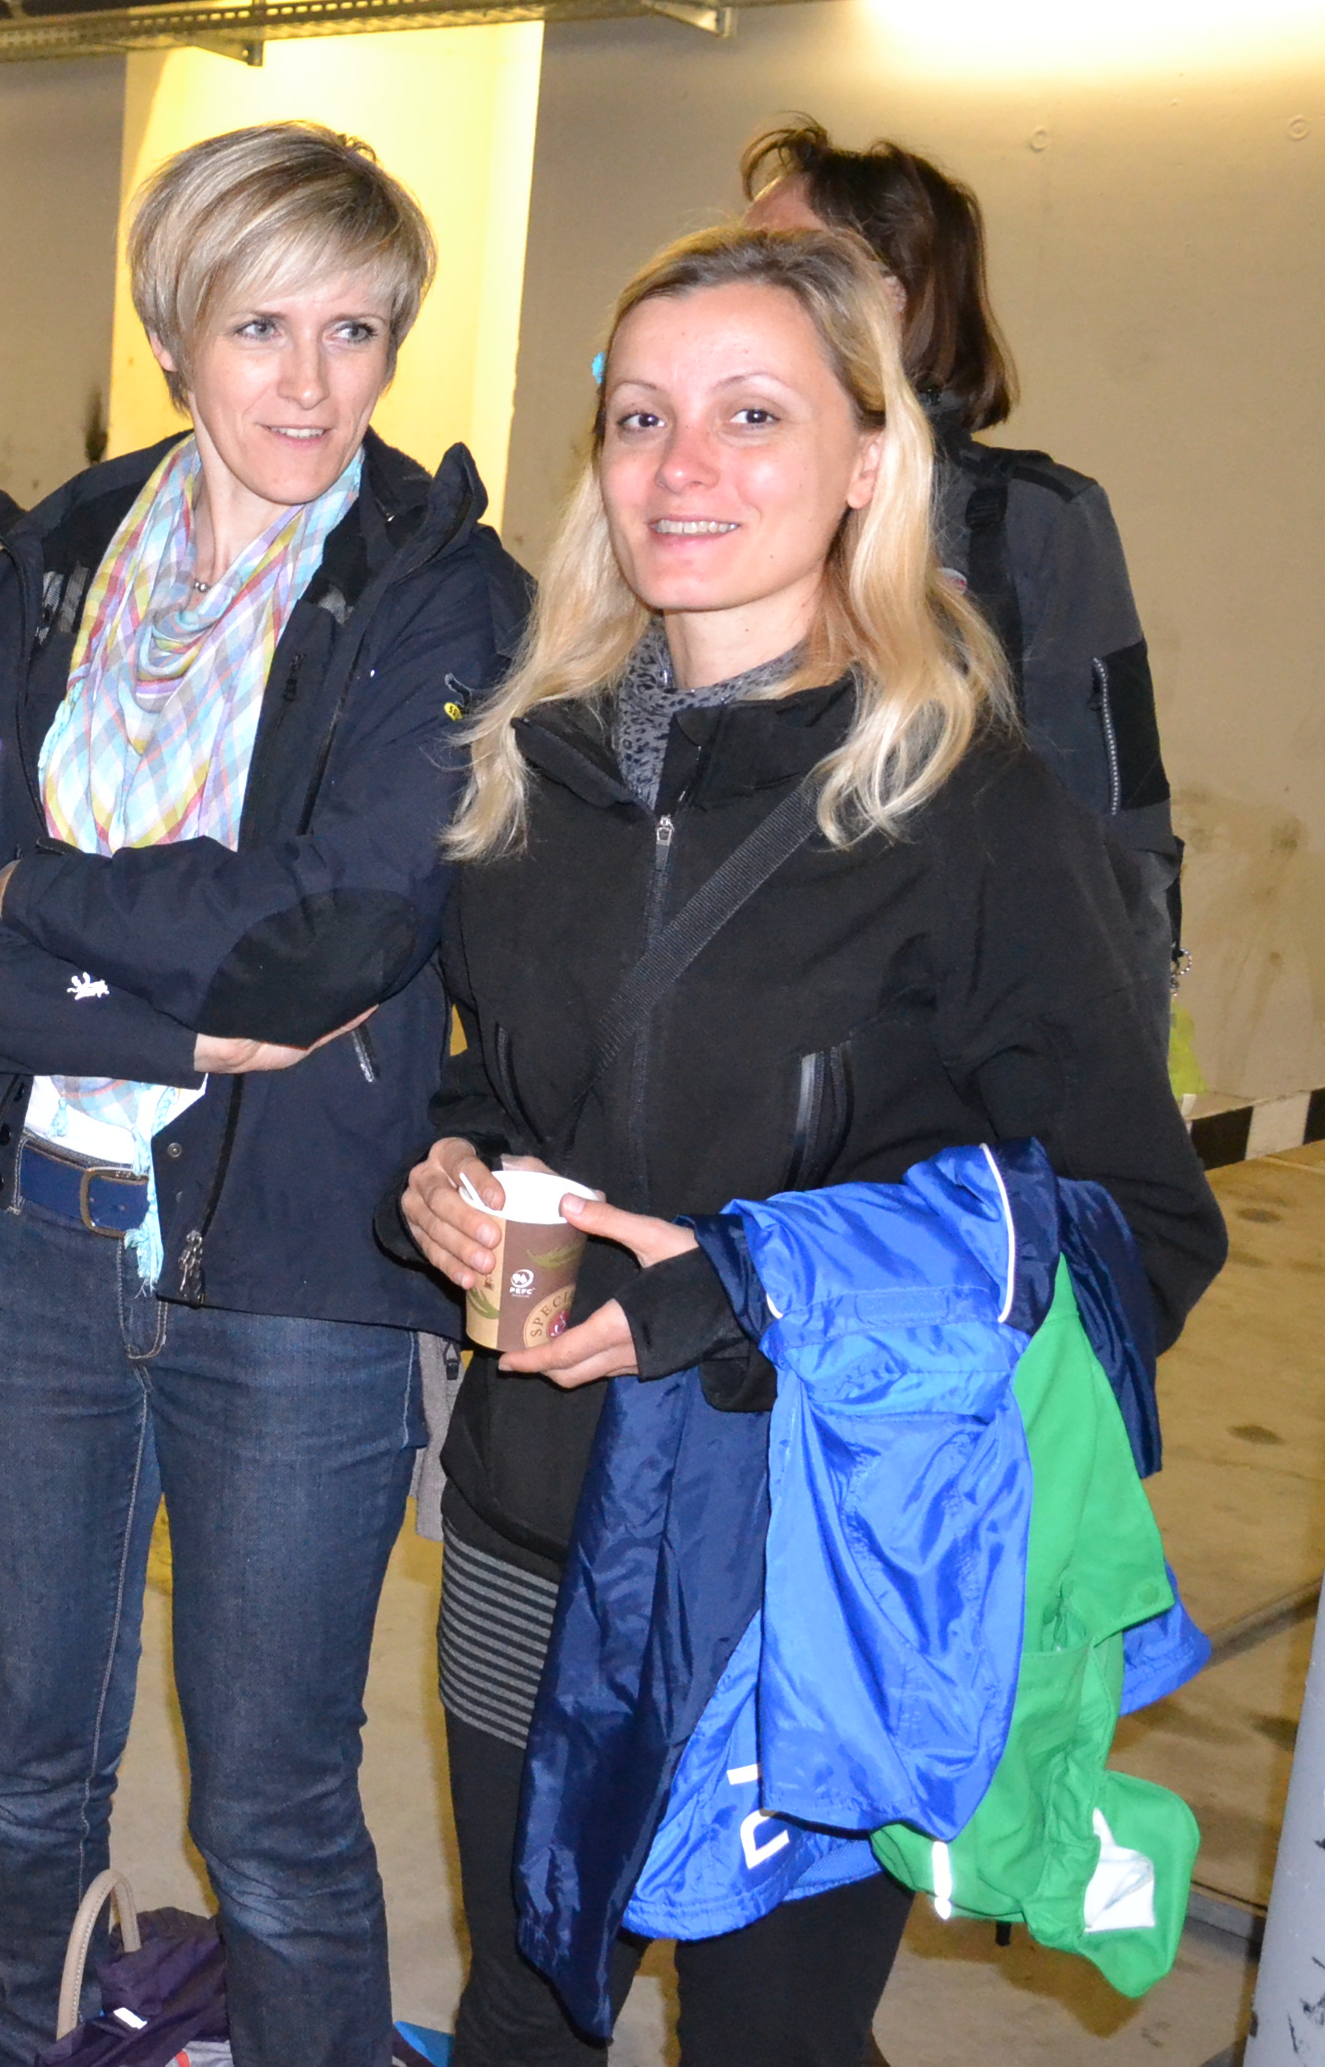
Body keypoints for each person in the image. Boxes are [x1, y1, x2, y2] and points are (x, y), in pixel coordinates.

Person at [393, 222, 1224, 2066]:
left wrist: (738, 1287)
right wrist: (446, 1176)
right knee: (524, 1999)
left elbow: (1130, 1233)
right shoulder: (535, 772)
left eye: (751, 414)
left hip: (810, 1556)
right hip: (533, 1513)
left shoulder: (976, 813)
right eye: (640, 416)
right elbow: (513, 1089)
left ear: (867, 459)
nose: (681, 466)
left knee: (768, 2039)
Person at [0, 120, 526, 2067]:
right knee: (25, 1757)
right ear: (172, 334)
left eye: (356, 330)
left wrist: (38, 893)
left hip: (300, 1279)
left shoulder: (437, 595)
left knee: (274, 1807)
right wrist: (167, 1026)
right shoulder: (49, 568)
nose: (312, 383)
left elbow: (332, 934)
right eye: (260, 329)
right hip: (38, 1246)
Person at [739, 121, 1182, 1026]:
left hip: (946, 1027)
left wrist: (1125, 1037)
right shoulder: (701, 504)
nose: (731, 283)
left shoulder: (1029, 520)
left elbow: (1115, 822)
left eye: (779, 261)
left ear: (890, 299)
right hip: (741, 1002)